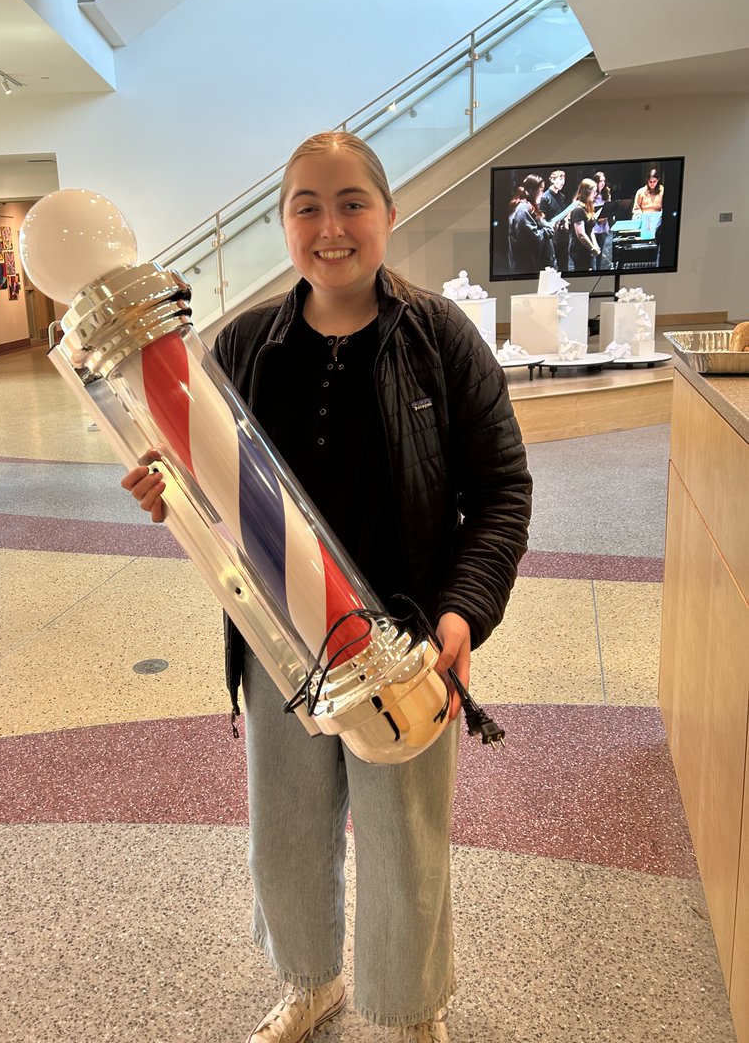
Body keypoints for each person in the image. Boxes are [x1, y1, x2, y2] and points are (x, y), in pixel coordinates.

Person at [122, 132, 532, 1043]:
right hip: (281, 645)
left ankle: (409, 1009)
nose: (331, 226)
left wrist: (465, 615)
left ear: (388, 214)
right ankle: (311, 981)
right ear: (283, 224)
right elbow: (204, 484)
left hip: (408, 643)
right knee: (288, 834)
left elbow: (503, 489)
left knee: (405, 844)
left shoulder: (438, 340)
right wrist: (168, 492)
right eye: (307, 205)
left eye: (351, 202)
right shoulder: (245, 347)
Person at [507, 173, 558, 273]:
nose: (542, 194)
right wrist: (549, 229)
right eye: (541, 189)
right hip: (529, 270)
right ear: (531, 190)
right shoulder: (523, 209)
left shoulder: (526, 207)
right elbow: (534, 240)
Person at [567, 177, 602, 270]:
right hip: (580, 250)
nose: (595, 194)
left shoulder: (588, 207)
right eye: (594, 192)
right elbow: (581, 234)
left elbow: (590, 230)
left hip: (587, 248)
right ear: (587, 192)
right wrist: (591, 248)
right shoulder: (578, 210)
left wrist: (595, 245)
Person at [591, 171, 615, 270]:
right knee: (593, 252)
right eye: (600, 181)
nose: (602, 183)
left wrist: (606, 216)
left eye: (604, 181)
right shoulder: (591, 193)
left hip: (603, 226)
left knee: (600, 252)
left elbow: (609, 208)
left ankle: (599, 270)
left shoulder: (606, 193)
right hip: (594, 227)